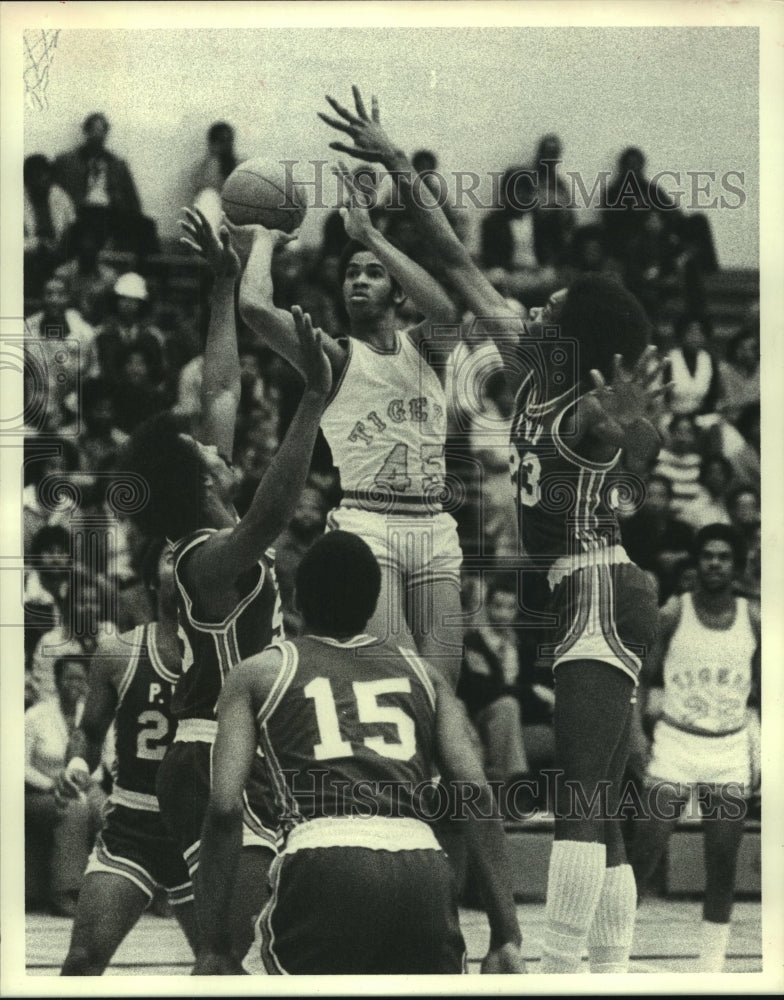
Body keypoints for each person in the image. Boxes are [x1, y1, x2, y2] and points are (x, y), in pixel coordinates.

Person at [318, 85, 667, 973]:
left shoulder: (584, 400)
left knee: (583, 797)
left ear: (572, 336)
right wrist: (398, 166)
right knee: (603, 798)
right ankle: (611, 967)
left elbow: (624, 441)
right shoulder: (532, 361)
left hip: (599, 580)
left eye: (552, 303)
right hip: (592, 584)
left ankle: (553, 965)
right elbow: (454, 255)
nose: (533, 300)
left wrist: (631, 435)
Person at [122, 206, 332, 961]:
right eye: (201, 450)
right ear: (195, 479)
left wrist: (222, 286)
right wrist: (312, 399)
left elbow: (220, 389)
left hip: (229, 744)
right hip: (215, 746)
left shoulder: (200, 528)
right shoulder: (204, 556)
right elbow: (271, 518)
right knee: (234, 955)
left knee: (243, 951)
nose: (217, 442)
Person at [193, 530, 524, 976]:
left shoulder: (258, 673)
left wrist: (212, 944)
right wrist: (506, 935)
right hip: (421, 864)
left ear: (296, 601)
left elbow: (224, 806)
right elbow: (476, 795)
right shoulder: (425, 675)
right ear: (373, 607)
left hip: (322, 856)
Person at [234, 156, 465, 687]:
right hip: (370, 525)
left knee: (443, 691)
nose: (359, 280)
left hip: (434, 523)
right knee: (399, 676)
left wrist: (369, 235)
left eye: (373, 273)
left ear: (397, 290)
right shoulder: (334, 357)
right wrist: (265, 239)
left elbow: (451, 311)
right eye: (352, 274)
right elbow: (253, 308)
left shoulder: (426, 349)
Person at [55, 539, 197, 975]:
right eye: (170, 553)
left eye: (195, 550)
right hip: (134, 823)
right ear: (153, 572)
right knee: (81, 961)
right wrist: (78, 764)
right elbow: (89, 731)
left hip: (204, 830)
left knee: (224, 966)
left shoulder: (235, 656)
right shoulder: (119, 651)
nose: (182, 562)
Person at [628, 524, 760, 973]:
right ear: (696, 561)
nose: (716, 563)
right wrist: (636, 733)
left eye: (724, 556)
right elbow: (641, 679)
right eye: (708, 555)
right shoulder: (671, 613)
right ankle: (613, 953)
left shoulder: (755, 618)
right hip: (675, 745)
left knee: (722, 864)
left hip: (728, 749)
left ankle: (710, 969)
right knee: (644, 853)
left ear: (737, 565)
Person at [25, 656, 105, 916]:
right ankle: (65, 892)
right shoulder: (36, 715)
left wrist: (91, 778)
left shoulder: (93, 714)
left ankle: (107, 891)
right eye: (69, 677)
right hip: (41, 792)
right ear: (57, 681)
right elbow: (18, 765)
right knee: (74, 810)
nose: (75, 683)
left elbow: (105, 758)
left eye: (81, 678)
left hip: (86, 784)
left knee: (109, 811)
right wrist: (50, 784)